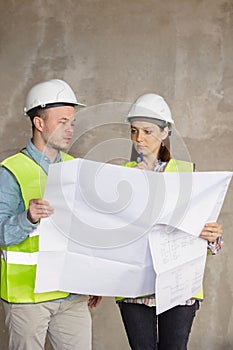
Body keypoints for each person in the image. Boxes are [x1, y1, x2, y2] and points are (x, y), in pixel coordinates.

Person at [0, 79, 102, 350]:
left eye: (72, 122)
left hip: (72, 296)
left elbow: (86, 231)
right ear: (39, 123)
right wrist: (28, 218)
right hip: (27, 299)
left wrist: (94, 277)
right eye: (62, 122)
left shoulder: (76, 169)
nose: (70, 130)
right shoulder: (10, 171)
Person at [117, 93, 223, 350]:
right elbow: (113, 234)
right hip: (136, 289)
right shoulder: (121, 176)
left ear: (165, 132)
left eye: (148, 131)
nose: (139, 138)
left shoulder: (189, 174)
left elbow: (212, 239)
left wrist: (213, 236)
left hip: (179, 287)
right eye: (134, 131)